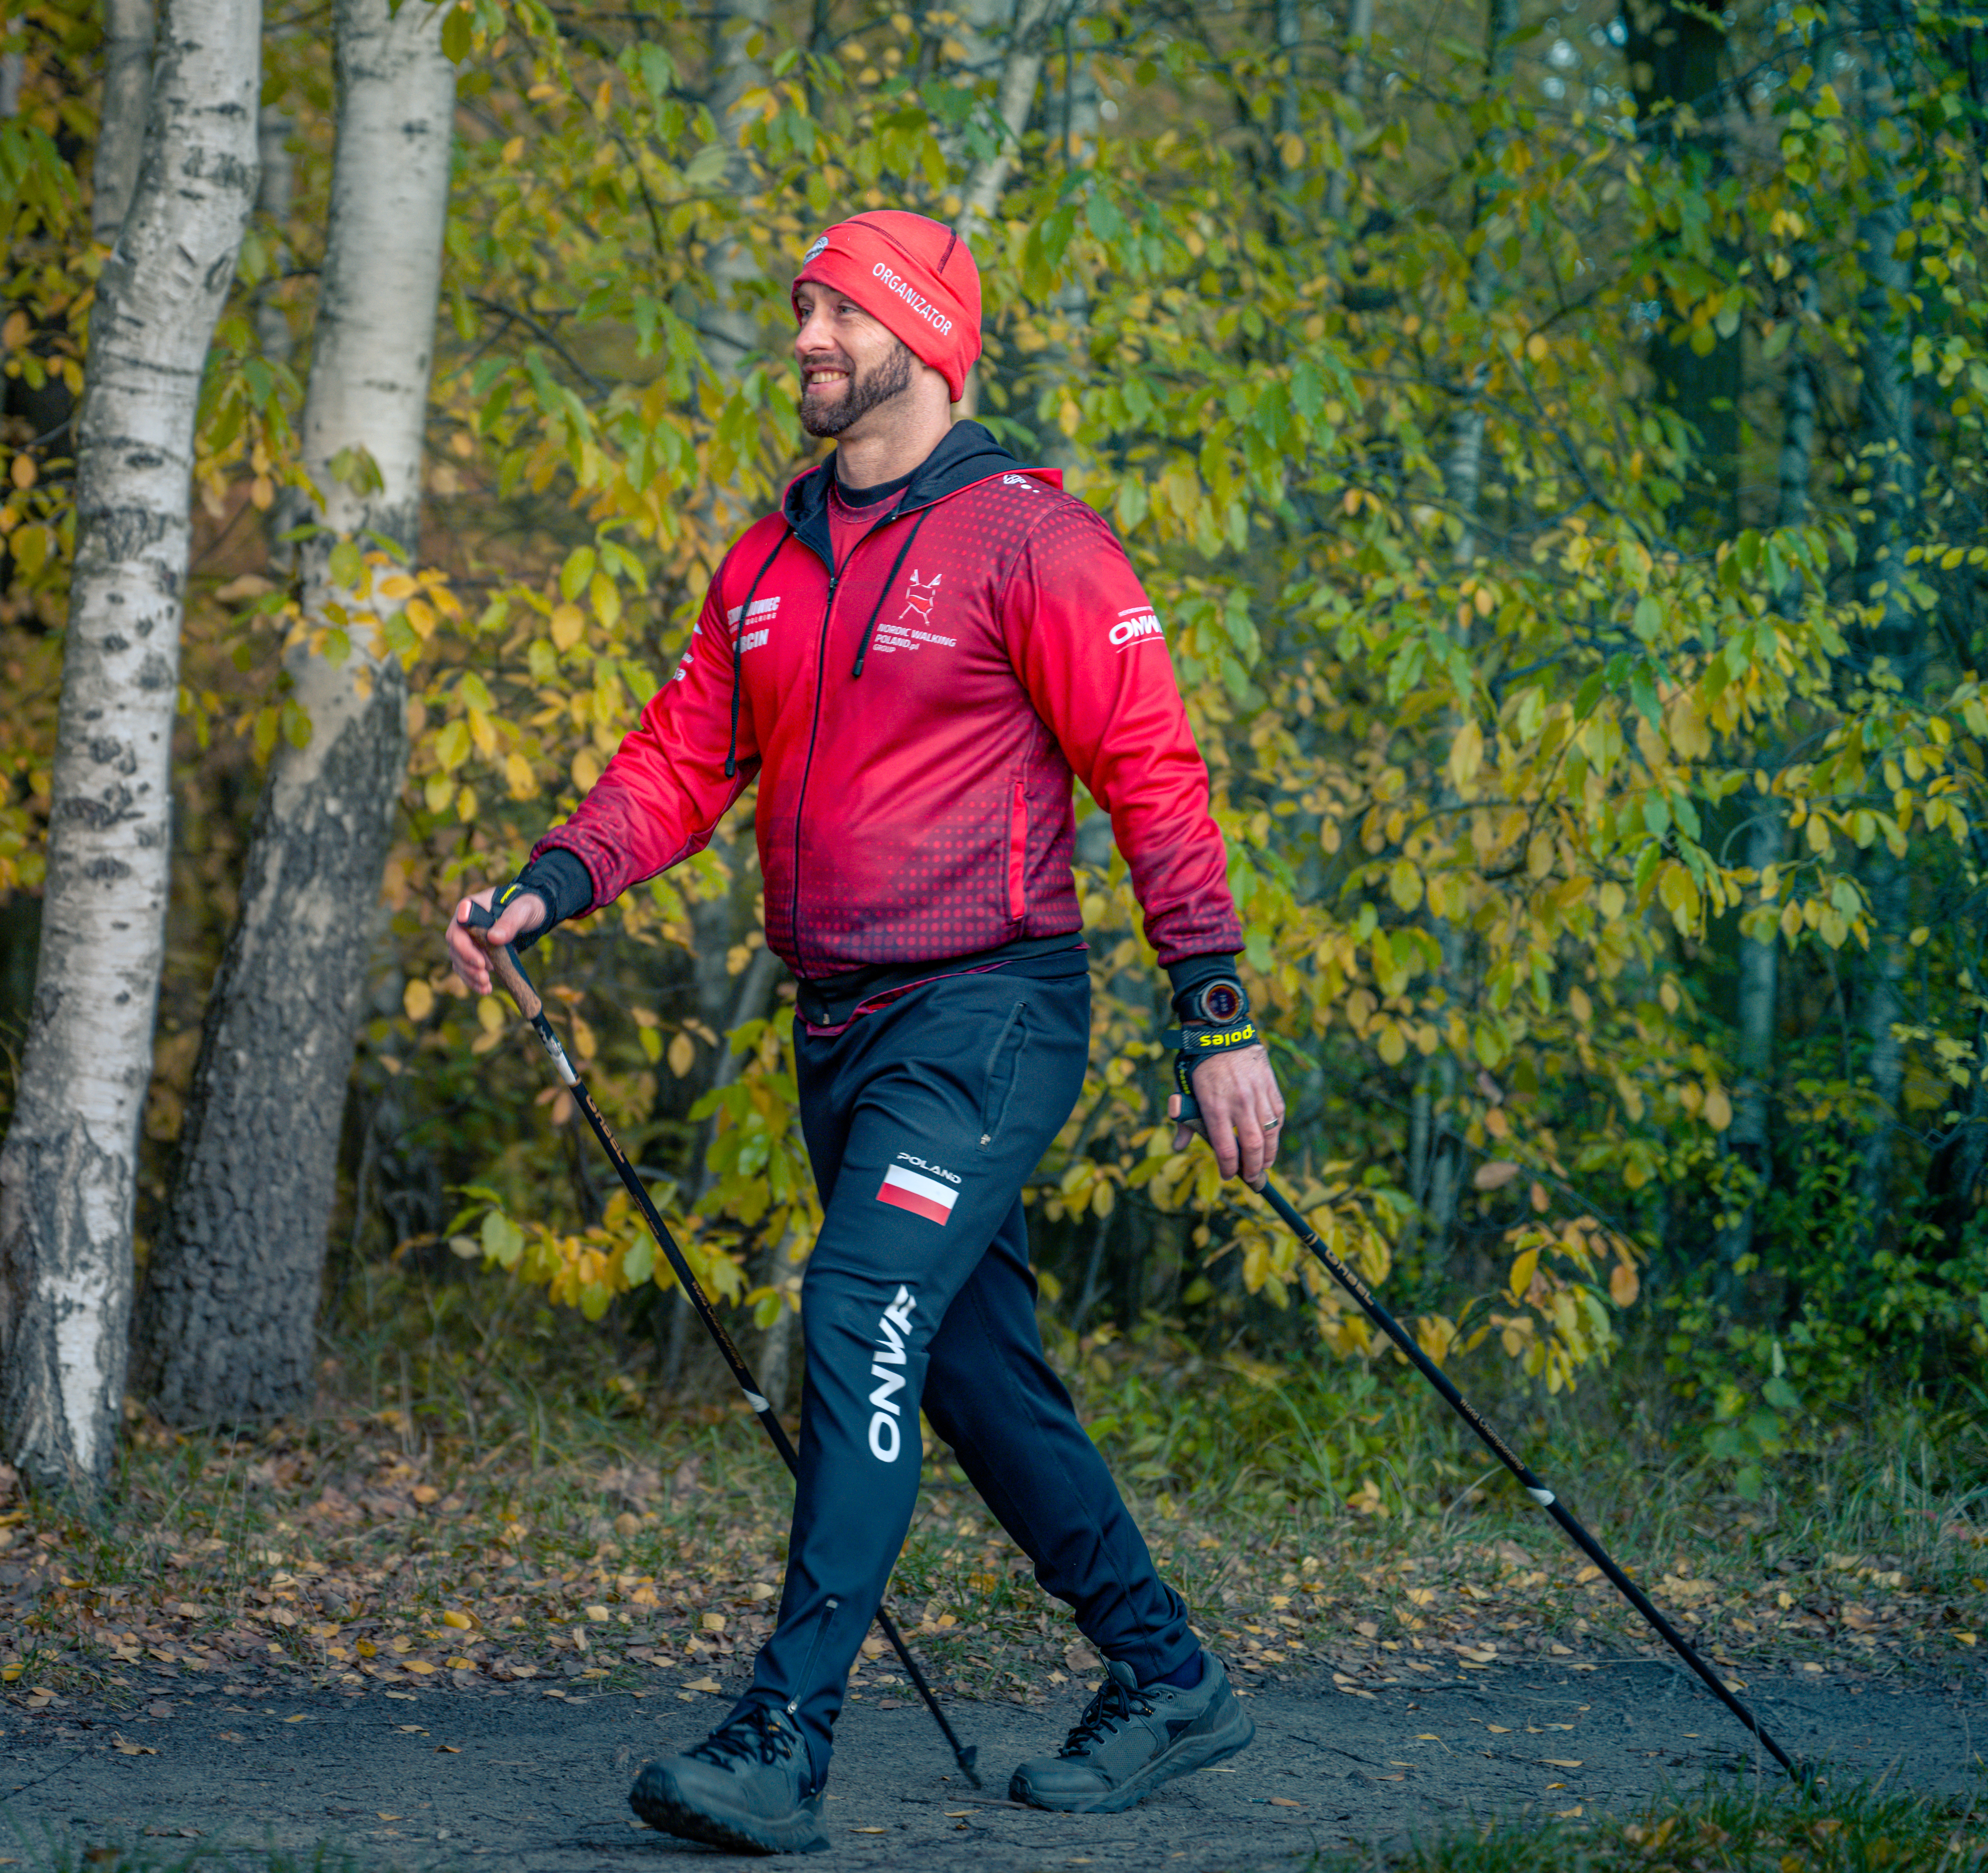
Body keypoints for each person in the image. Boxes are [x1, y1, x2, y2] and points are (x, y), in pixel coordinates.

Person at [447, 209, 1287, 1855]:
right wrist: (549, 888)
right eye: (804, 310)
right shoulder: (767, 563)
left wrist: (1218, 1018)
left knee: (855, 1311)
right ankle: (1170, 1678)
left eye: (842, 310)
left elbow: (1155, 778)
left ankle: (783, 1739)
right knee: (972, 1377)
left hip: (990, 1016)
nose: (810, 337)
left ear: (926, 333)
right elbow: (682, 764)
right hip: (842, 1032)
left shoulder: (1032, 543)